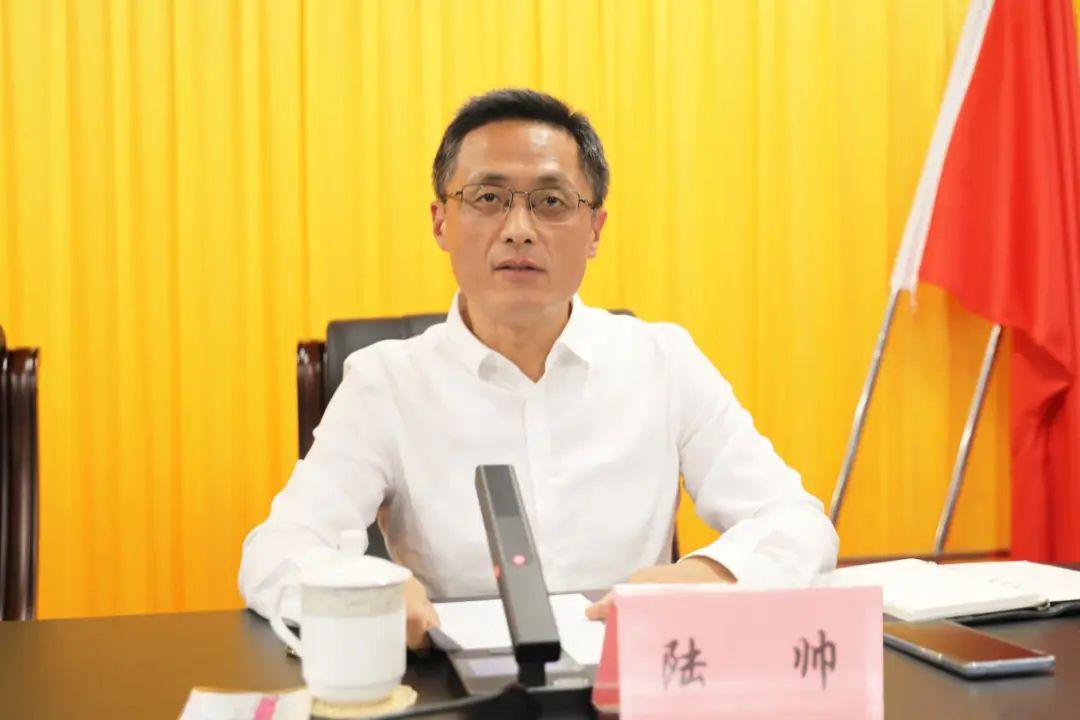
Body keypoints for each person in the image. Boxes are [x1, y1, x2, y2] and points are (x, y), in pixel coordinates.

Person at [239, 88, 838, 650]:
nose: (519, 231)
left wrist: (711, 573)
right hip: (459, 687)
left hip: (630, 680)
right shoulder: (386, 382)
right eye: (487, 198)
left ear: (594, 230)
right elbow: (277, 552)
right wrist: (366, 593)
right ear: (441, 222)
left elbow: (797, 523)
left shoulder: (663, 362)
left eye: (551, 202)